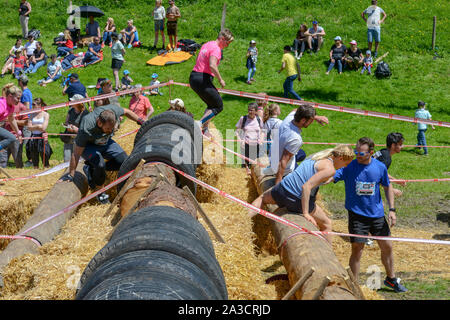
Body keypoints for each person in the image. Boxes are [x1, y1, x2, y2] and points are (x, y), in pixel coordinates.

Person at [332, 137, 408, 293]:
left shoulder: (380, 167)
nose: (357, 155)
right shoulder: (350, 166)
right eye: (356, 151)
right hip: (357, 215)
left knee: (387, 246)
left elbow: (387, 187)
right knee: (357, 250)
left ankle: (391, 280)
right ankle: (354, 285)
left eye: (361, 153)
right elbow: (329, 176)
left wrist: (392, 210)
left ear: (371, 153)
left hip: (377, 215)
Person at [252, 145, 354, 243]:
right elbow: (306, 187)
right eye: (346, 164)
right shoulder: (330, 169)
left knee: (262, 198)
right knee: (327, 223)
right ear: (340, 158)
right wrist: (305, 213)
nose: (344, 167)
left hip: (283, 188)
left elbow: (306, 175)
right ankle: (329, 254)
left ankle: (244, 219)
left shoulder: (317, 156)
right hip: (296, 199)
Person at [58, 104, 145, 204]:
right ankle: (100, 193)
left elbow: (127, 111)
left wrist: (141, 121)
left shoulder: (112, 111)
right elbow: (76, 153)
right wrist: (71, 174)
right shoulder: (86, 127)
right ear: (99, 123)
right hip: (89, 146)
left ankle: (92, 169)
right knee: (99, 164)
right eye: (108, 128)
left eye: (112, 128)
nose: (110, 130)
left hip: (106, 143)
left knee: (124, 161)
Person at [264, 105, 329, 185]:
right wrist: (278, 185)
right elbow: (283, 161)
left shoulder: (290, 118)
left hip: (273, 155)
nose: (312, 122)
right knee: (307, 182)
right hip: (284, 170)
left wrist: (316, 117)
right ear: (303, 120)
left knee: (302, 154)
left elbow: (295, 109)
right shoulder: (295, 139)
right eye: (311, 120)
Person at [189, 28, 234, 138]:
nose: (227, 46)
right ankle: (198, 125)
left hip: (194, 77)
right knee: (218, 106)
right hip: (202, 78)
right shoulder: (216, 49)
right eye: (227, 43)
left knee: (212, 104)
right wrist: (220, 79)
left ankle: (204, 129)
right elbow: (212, 65)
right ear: (222, 39)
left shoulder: (207, 44)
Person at [373, 132, 406, 197]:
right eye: (400, 144)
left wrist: (396, 181)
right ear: (393, 145)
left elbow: (381, 173)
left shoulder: (383, 152)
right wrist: (392, 190)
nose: (402, 146)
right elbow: (377, 175)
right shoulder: (386, 158)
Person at [235, 103, 264, 172]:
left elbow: (262, 131)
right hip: (245, 145)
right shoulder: (243, 119)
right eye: (249, 110)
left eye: (252, 110)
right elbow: (237, 131)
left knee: (255, 165)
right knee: (245, 166)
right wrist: (240, 141)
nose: (250, 112)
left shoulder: (258, 119)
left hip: (256, 145)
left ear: (256, 111)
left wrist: (261, 140)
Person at [0, 100, 28, 168]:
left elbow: (25, 122)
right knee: (2, 158)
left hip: (15, 136)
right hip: (4, 136)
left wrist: (12, 121)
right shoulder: (5, 105)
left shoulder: (22, 107)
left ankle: (21, 174)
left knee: (17, 158)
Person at [26, 98, 52, 168]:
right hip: (33, 136)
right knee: (34, 156)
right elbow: (29, 127)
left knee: (45, 155)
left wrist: (34, 126)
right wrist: (38, 126)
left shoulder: (46, 114)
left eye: (34, 104)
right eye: (32, 104)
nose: (32, 106)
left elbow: (43, 128)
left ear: (39, 105)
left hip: (42, 136)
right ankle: (36, 168)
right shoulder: (31, 114)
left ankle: (46, 169)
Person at [62, 94, 89, 162]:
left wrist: (76, 129)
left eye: (73, 101)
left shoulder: (85, 114)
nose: (71, 102)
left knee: (78, 159)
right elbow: (66, 121)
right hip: (68, 137)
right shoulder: (71, 110)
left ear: (78, 103)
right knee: (67, 158)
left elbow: (86, 130)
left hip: (78, 140)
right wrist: (67, 125)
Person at [0, 84, 23, 158]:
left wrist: (18, 133)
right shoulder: (2, 105)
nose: (19, 101)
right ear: (10, 96)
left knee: (11, 138)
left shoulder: (11, 107)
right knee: (11, 138)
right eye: (18, 98)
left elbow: (11, 119)